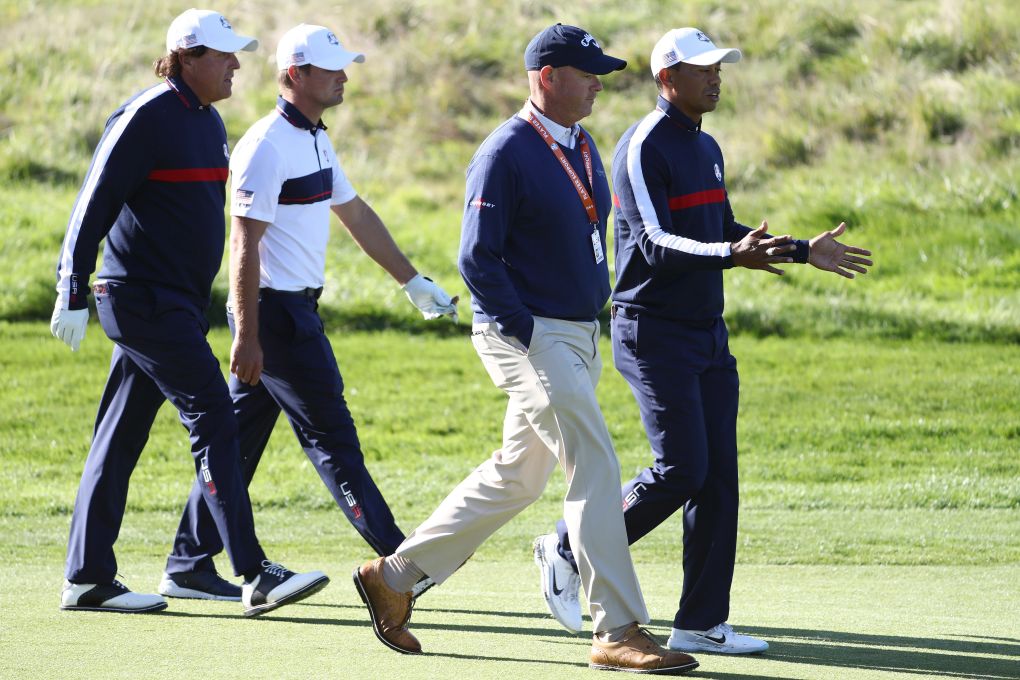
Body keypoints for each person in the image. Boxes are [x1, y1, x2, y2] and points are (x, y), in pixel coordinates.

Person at [351, 23, 700, 675]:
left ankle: (394, 576)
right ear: (547, 77)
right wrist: (529, 331)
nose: (599, 82)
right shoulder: (506, 150)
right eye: (588, 71)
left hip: (575, 334)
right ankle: (617, 627)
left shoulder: (582, 143)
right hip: (528, 336)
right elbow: (475, 257)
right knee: (593, 460)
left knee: (520, 473)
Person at [532, 27, 874, 654]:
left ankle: (700, 622)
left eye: (719, 68)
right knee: (682, 467)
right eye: (702, 69)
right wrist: (728, 254)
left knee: (718, 476)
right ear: (668, 78)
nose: (716, 78)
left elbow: (720, 227)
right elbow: (657, 243)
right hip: (651, 331)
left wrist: (800, 250)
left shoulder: (707, 146)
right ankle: (566, 542)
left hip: (706, 333)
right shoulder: (642, 146)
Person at [157, 23, 456, 603]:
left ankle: (188, 563)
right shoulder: (267, 145)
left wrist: (412, 280)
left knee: (237, 442)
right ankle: (401, 566)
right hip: (275, 319)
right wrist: (246, 333)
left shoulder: (315, 137)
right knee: (333, 440)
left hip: (293, 313)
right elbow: (243, 246)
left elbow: (356, 213)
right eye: (332, 68)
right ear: (296, 75)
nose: (345, 76)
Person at [51, 8, 329, 616]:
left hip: (173, 304)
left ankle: (92, 576)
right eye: (225, 56)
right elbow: (92, 201)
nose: (236, 65)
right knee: (215, 415)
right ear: (188, 57)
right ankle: (253, 572)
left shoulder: (207, 121)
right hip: (140, 300)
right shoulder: (146, 116)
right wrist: (70, 286)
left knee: (119, 437)